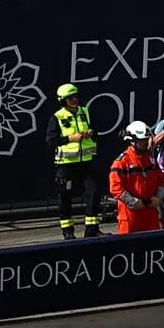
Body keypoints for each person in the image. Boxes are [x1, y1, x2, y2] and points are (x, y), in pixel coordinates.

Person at [48, 81, 104, 240]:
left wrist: (91, 133)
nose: (74, 99)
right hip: (66, 164)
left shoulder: (85, 112)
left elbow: (97, 130)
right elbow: (51, 140)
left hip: (86, 161)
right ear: (62, 100)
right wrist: (70, 138)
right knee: (65, 196)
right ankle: (68, 232)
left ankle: (92, 229)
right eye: (70, 98)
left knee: (93, 192)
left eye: (75, 96)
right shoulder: (57, 117)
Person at [107, 124, 164, 236]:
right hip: (130, 215)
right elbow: (115, 187)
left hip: (150, 212)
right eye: (142, 140)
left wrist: (158, 198)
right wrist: (132, 202)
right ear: (131, 141)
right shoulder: (122, 162)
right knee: (129, 245)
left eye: (147, 139)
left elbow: (161, 180)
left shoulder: (151, 159)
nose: (146, 143)